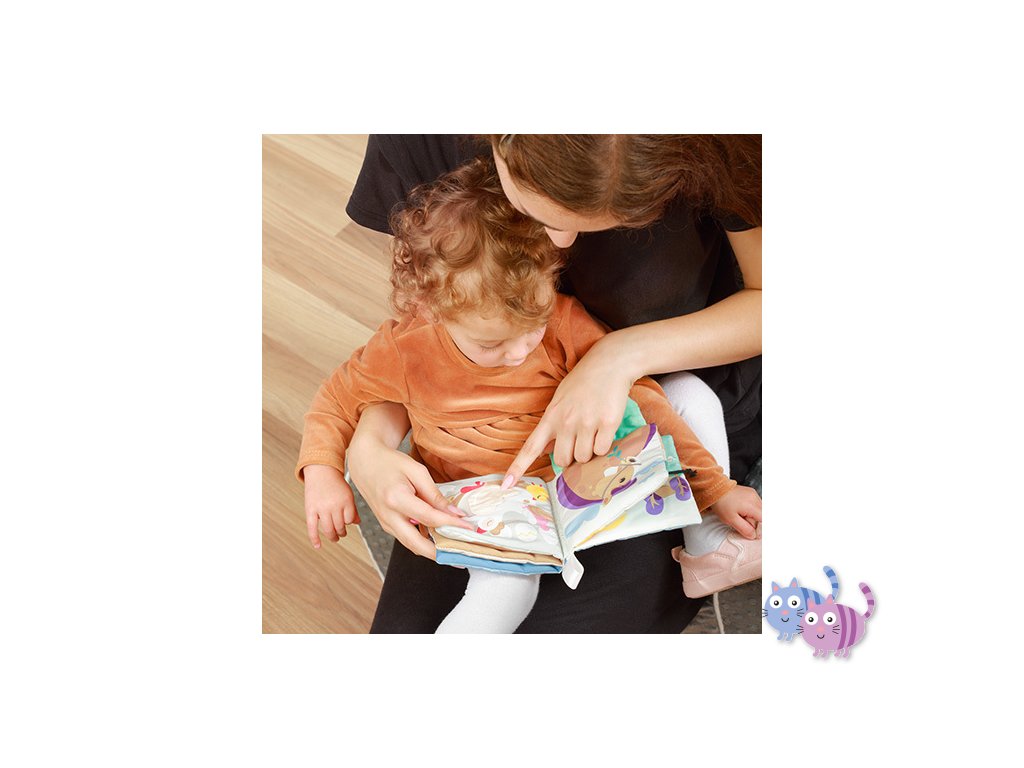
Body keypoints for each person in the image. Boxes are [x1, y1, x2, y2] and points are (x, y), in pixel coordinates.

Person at [299, 160, 762, 632]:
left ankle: (707, 543)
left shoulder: (564, 323)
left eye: (533, 327)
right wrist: (322, 472)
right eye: (492, 344)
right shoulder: (404, 348)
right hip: (477, 505)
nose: (520, 352)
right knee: (507, 589)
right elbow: (336, 401)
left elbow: (643, 398)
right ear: (429, 308)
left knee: (689, 393)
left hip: (572, 483)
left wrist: (716, 490)